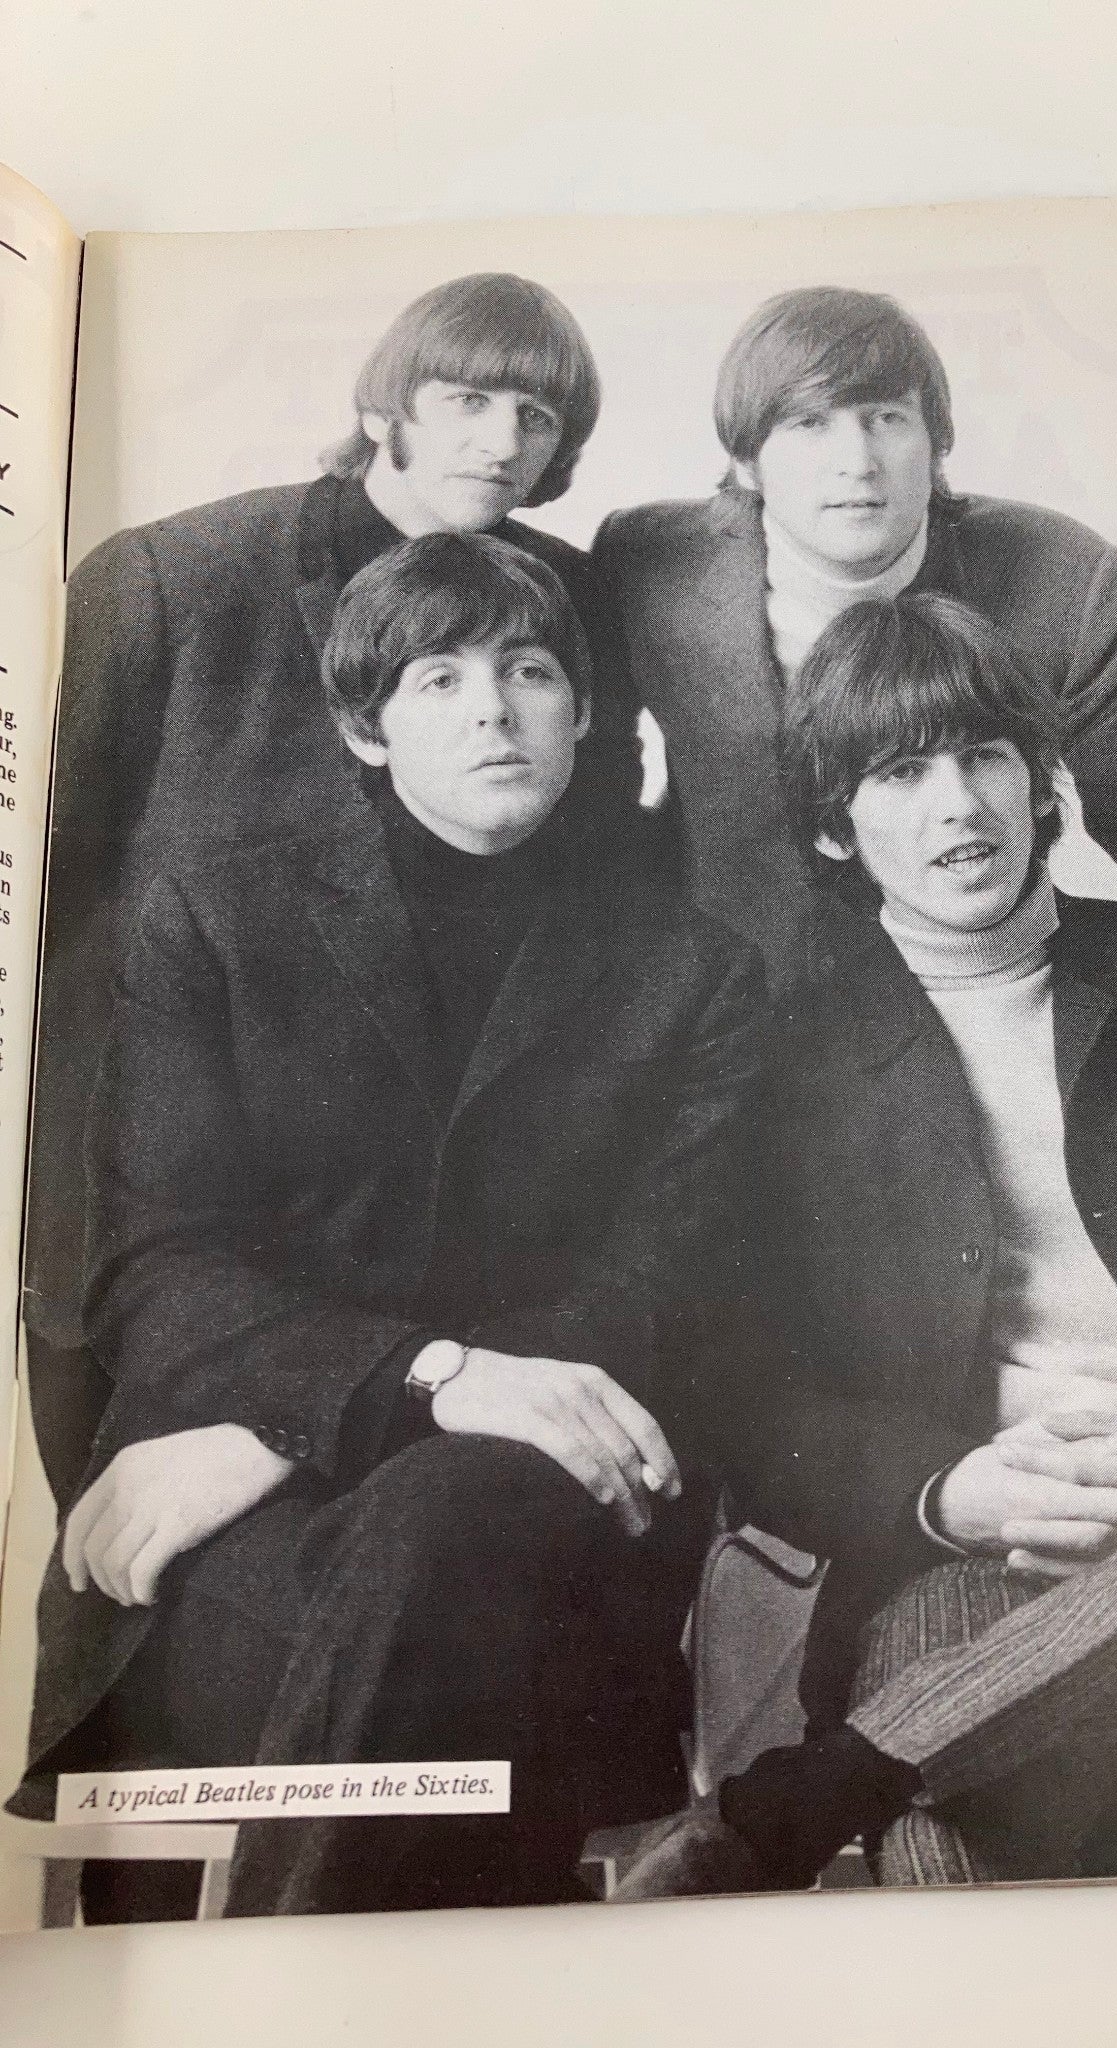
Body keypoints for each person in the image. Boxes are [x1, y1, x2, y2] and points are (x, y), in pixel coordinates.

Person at [615, 591, 1117, 1897]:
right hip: (989, 1559)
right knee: (954, 1796)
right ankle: (914, 1804)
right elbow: (746, 1398)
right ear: (835, 823)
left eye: (985, 754)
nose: (957, 805)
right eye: (900, 770)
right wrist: (950, 1488)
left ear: (1045, 780)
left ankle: (818, 1796)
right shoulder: (778, 1068)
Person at [10, 536, 765, 1918]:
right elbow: (148, 1265)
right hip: (234, 1528)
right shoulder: (217, 921)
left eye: (534, 671)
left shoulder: (693, 969)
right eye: (441, 677)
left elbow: (665, 1290)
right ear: (366, 726)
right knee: (432, 1641)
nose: (495, 708)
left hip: (549, 1513)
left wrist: (306, 1417)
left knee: (446, 1532)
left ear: (584, 711)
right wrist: (425, 1380)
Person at [27, 271, 644, 1509]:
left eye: (537, 418)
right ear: (384, 409)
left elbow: (597, 883)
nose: (503, 442)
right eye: (468, 399)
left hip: (430, 1226)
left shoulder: (572, 601)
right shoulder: (171, 579)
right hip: (169, 1193)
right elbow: (45, 891)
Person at [593, 285, 1117, 991]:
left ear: (937, 442)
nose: (857, 460)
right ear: (746, 459)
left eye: (887, 417)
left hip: (973, 1010)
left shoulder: (1060, 578)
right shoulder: (651, 567)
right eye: (809, 424)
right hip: (742, 1020)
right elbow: (596, 810)